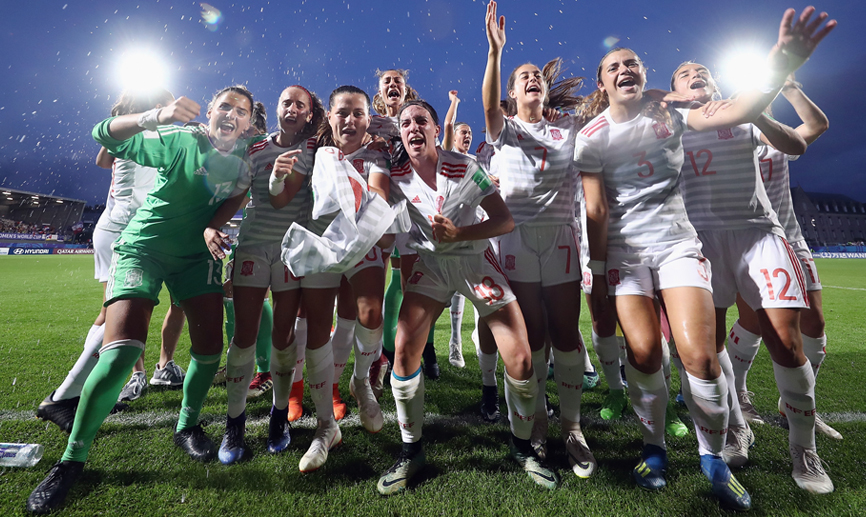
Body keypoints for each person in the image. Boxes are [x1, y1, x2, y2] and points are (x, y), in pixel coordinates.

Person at [576, 8, 834, 509]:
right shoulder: (595, 137)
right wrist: (601, 271)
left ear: (646, 76)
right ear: (603, 83)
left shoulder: (676, 114)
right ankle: (660, 449)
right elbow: (597, 208)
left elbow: (761, 119)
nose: (625, 69)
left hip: (695, 242)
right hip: (633, 254)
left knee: (711, 353)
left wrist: (781, 64)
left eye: (633, 63)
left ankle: (730, 456)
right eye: (614, 66)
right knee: (648, 355)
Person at [27, 85, 257, 514]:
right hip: (143, 247)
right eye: (224, 105)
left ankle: (186, 427)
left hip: (195, 257)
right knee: (120, 354)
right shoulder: (184, 138)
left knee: (209, 350)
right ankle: (71, 462)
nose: (231, 114)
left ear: (248, 122)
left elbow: (239, 195)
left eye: (241, 111)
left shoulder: (247, 159)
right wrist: (158, 116)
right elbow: (105, 135)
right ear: (209, 112)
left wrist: (213, 224)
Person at [370, 99, 555, 494]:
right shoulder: (395, 175)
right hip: (431, 267)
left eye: (422, 121)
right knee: (403, 351)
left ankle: (522, 448)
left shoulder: (465, 166)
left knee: (521, 359)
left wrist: (460, 234)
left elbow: (504, 220)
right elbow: (385, 222)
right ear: (400, 133)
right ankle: (411, 451)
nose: (413, 127)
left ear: (438, 130)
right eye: (406, 123)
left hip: (475, 261)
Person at [672, 55, 836, 493]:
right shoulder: (674, 124)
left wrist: (755, 108)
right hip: (701, 240)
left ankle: (804, 450)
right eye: (684, 75)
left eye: (702, 71)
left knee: (786, 339)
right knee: (707, 346)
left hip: (760, 235)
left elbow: (798, 144)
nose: (696, 76)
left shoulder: (744, 120)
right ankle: (738, 426)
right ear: (676, 89)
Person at [483, 1, 593, 476]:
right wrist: (495, 52)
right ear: (512, 92)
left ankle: (573, 427)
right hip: (517, 239)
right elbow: (487, 107)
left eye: (537, 76)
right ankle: (543, 423)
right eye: (522, 76)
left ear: (545, 90)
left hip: (561, 239)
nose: (532, 79)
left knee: (567, 333)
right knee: (536, 334)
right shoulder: (503, 129)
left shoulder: (569, 127)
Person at [36, 88, 186, 433]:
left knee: (113, 313)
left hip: (116, 228)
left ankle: (72, 393)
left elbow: (103, 160)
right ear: (156, 106)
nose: (174, 107)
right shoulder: (153, 132)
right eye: (168, 102)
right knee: (119, 316)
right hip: (123, 231)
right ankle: (63, 397)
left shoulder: (127, 132)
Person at [723, 77, 840, 440]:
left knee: (815, 324)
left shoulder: (775, 141)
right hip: (753, 240)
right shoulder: (728, 143)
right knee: (755, 323)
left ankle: (796, 405)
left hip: (791, 239)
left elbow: (817, 125)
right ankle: (739, 396)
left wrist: (790, 87)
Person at [216, 85, 327, 465]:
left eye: (301, 103)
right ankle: (235, 424)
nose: (292, 107)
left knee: (283, 336)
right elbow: (241, 194)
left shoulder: (316, 150)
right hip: (251, 247)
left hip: (291, 252)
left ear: (310, 113)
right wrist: (212, 224)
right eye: (286, 101)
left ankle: (280, 417)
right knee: (244, 336)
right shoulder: (256, 147)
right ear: (277, 108)